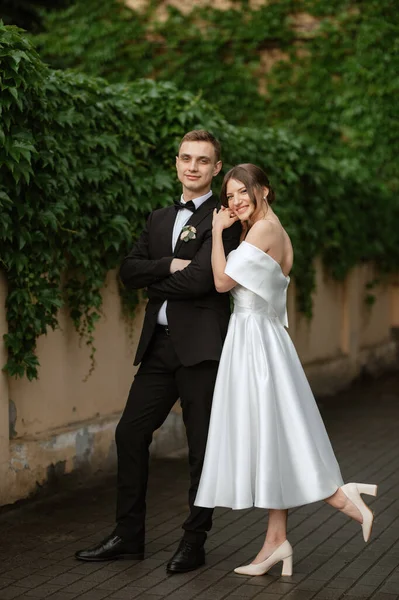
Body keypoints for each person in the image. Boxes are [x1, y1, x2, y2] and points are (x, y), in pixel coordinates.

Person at [194, 163, 378, 577]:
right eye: (229, 196)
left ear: (265, 191)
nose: (235, 201)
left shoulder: (263, 231)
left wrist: (215, 235)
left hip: (255, 344)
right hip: (258, 340)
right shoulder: (269, 229)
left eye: (243, 192)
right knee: (271, 440)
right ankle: (276, 542)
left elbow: (223, 283)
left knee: (277, 436)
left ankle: (340, 496)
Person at [75, 130, 241, 574]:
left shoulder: (225, 220)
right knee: (130, 433)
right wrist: (166, 265)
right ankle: (128, 536)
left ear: (216, 168)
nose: (193, 167)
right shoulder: (156, 218)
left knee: (200, 450)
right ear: (175, 163)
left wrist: (157, 279)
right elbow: (128, 272)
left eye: (203, 161)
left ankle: (194, 541)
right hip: (157, 349)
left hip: (202, 350)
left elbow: (204, 280)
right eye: (186, 158)